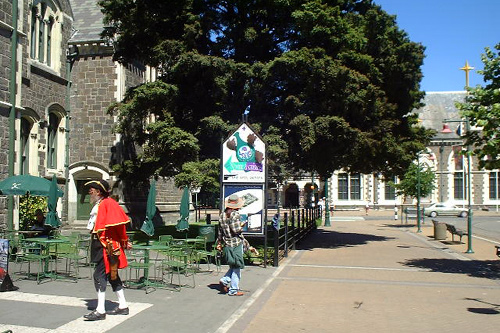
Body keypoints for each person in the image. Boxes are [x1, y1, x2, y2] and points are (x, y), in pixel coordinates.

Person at [83, 180, 131, 321]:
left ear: (99, 191)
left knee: (99, 276)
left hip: (106, 247)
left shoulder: (108, 203)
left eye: (92, 190)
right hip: (101, 245)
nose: (89, 192)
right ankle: (123, 306)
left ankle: (100, 310)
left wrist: (124, 241)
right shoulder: (100, 204)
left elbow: (120, 226)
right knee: (112, 276)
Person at [217, 194, 259, 296]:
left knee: (234, 265)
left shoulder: (222, 215)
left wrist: (219, 242)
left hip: (227, 243)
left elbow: (220, 232)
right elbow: (236, 230)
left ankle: (225, 280)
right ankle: (233, 290)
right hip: (236, 244)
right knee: (237, 267)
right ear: (235, 206)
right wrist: (242, 225)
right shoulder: (235, 215)